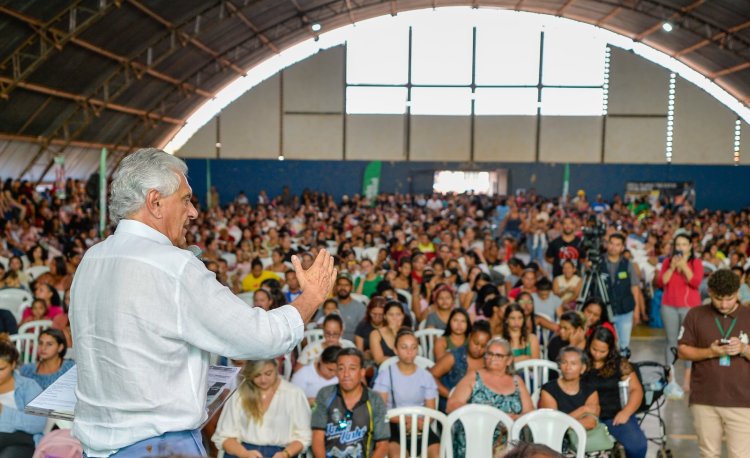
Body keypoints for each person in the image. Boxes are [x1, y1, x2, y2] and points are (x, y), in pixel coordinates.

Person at [70, 148, 336, 457]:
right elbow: (260, 338)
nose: (193, 212)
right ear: (155, 202)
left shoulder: (92, 259)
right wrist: (312, 297)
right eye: (185, 199)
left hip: (96, 447)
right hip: (159, 446)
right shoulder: (173, 265)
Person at [678, 269, 750, 458]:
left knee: (741, 455)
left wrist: (744, 349)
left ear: (738, 292)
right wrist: (710, 352)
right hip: (704, 400)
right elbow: (682, 350)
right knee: (708, 454)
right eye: (718, 299)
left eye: (730, 298)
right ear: (709, 292)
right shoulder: (695, 314)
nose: (724, 304)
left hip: (743, 401)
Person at [447, 338, 534, 457]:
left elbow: (530, 413)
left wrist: (515, 418)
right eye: (489, 354)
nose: (492, 358)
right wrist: (489, 414)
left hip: (508, 440)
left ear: (508, 360)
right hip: (475, 437)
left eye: (498, 355)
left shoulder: (517, 381)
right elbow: (452, 406)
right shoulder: (474, 376)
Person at [212, 359, 311, 458]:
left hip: (283, 451)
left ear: (276, 369)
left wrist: (285, 454)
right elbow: (224, 435)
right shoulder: (239, 393)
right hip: (242, 451)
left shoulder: (294, 393)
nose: (263, 380)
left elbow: (304, 436)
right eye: (257, 375)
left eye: (268, 373)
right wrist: (244, 454)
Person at [310, 348, 389, 458]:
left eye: (352, 368)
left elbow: (383, 445)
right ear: (336, 372)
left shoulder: (375, 400)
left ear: (362, 372)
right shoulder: (325, 395)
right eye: (341, 369)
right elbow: (317, 437)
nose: (346, 374)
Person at [373, 330, 440, 458]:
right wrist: (405, 420)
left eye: (413, 347)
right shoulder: (386, 375)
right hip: (394, 426)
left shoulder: (426, 376)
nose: (409, 351)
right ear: (395, 350)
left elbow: (431, 410)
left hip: (421, 425)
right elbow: (380, 411)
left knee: (436, 454)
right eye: (404, 347)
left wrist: (421, 422)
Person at [584, 326, 647, 458]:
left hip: (614, 416)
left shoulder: (620, 364)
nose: (597, 354)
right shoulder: (582, 361)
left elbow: (636, 390)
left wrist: (626, 412)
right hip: (586, 415)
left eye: (602, 351)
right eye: (594, 349)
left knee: (638, 446)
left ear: (610, 350)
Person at [656, 232, 703, 390]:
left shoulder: (695, 262)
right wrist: (673, 267)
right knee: (671, 342)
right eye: (678, 245)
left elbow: (696, 282)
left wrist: (683, 266)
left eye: (684, 244)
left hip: (689, 307)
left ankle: (688, 379)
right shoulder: (667, 261)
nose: (680, 247)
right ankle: (670, 378)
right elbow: (662, 282)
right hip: (669, 306)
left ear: (690, 246)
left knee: (688, 343)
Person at [430, 321, 492, 412]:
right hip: (452, 408)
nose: (478, 349)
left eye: (483, 346)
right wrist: (449, 394)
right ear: (470, 337)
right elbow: (430, 376)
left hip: (478, 409)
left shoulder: (489, 360)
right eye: (476, 343)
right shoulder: (454, 356)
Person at [0, 339, 46, 458]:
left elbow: (38, 423)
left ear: (13, 365)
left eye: (1, 369)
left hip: (22, 439)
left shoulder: (28, 386)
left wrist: (3, 411)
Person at [600, 233, 644, 353]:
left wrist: (637, 311)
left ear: (622, 247)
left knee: (623, 345)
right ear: (607, 244)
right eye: (611, 243)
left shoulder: (627, 264)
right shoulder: (599, 262)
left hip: (624, 311)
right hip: (603, 311)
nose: (613, 247)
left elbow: (635, 287)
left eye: (617, 245)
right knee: (604, 344)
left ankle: (622, 370)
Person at [540, 346, 600, 431]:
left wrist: (564, 424)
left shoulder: (590, 392)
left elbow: (590, 423)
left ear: (582, 368)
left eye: (573, 363)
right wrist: (582, 410)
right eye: (564, 362)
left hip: (584, 438)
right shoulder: (549, 390)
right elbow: (553, 424)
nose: (568, 367)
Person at [369, 300, 409, 365]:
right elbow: (379, 359)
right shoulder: (375, 334)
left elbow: (411, 355)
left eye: (398, 314)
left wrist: (395, 333)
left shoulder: (407, 332)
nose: (395, 318)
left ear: (403, 316)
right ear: (385, 316)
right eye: (391, 315)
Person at [332, 274, 366, 342]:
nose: (343, 288)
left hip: (352, 345)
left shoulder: (360, 307)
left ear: (351, 287)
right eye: (340, 285)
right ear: (336, 287)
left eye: (346, 285)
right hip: (330, 342)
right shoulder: (329, 304)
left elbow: (363, 332)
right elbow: (317, 323)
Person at [354, 297, 386, 361]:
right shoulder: (362, 326)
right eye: (374, 314)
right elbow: (359, 353)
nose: (377, 317)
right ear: (369, 312)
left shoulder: (389, 326)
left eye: (381, 315)